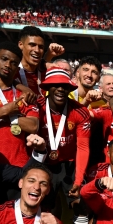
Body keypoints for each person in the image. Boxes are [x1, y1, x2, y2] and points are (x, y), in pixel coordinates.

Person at [35, 66, 92, 205]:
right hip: (43, 163)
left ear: (69, 89)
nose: (60, 89)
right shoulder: (37, 107)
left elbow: (83, 147)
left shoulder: (81, 112)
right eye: (55, 85)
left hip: (69, 164)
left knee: (78, 206)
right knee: (44, 207)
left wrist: (78, 180)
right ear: (48, 87)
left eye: (64, 86)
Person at [16, 26, 47, 94]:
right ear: (21, 45)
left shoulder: (46, 74)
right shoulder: (12, 72)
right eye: (32, 45)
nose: (37, 50)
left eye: (41, 47)